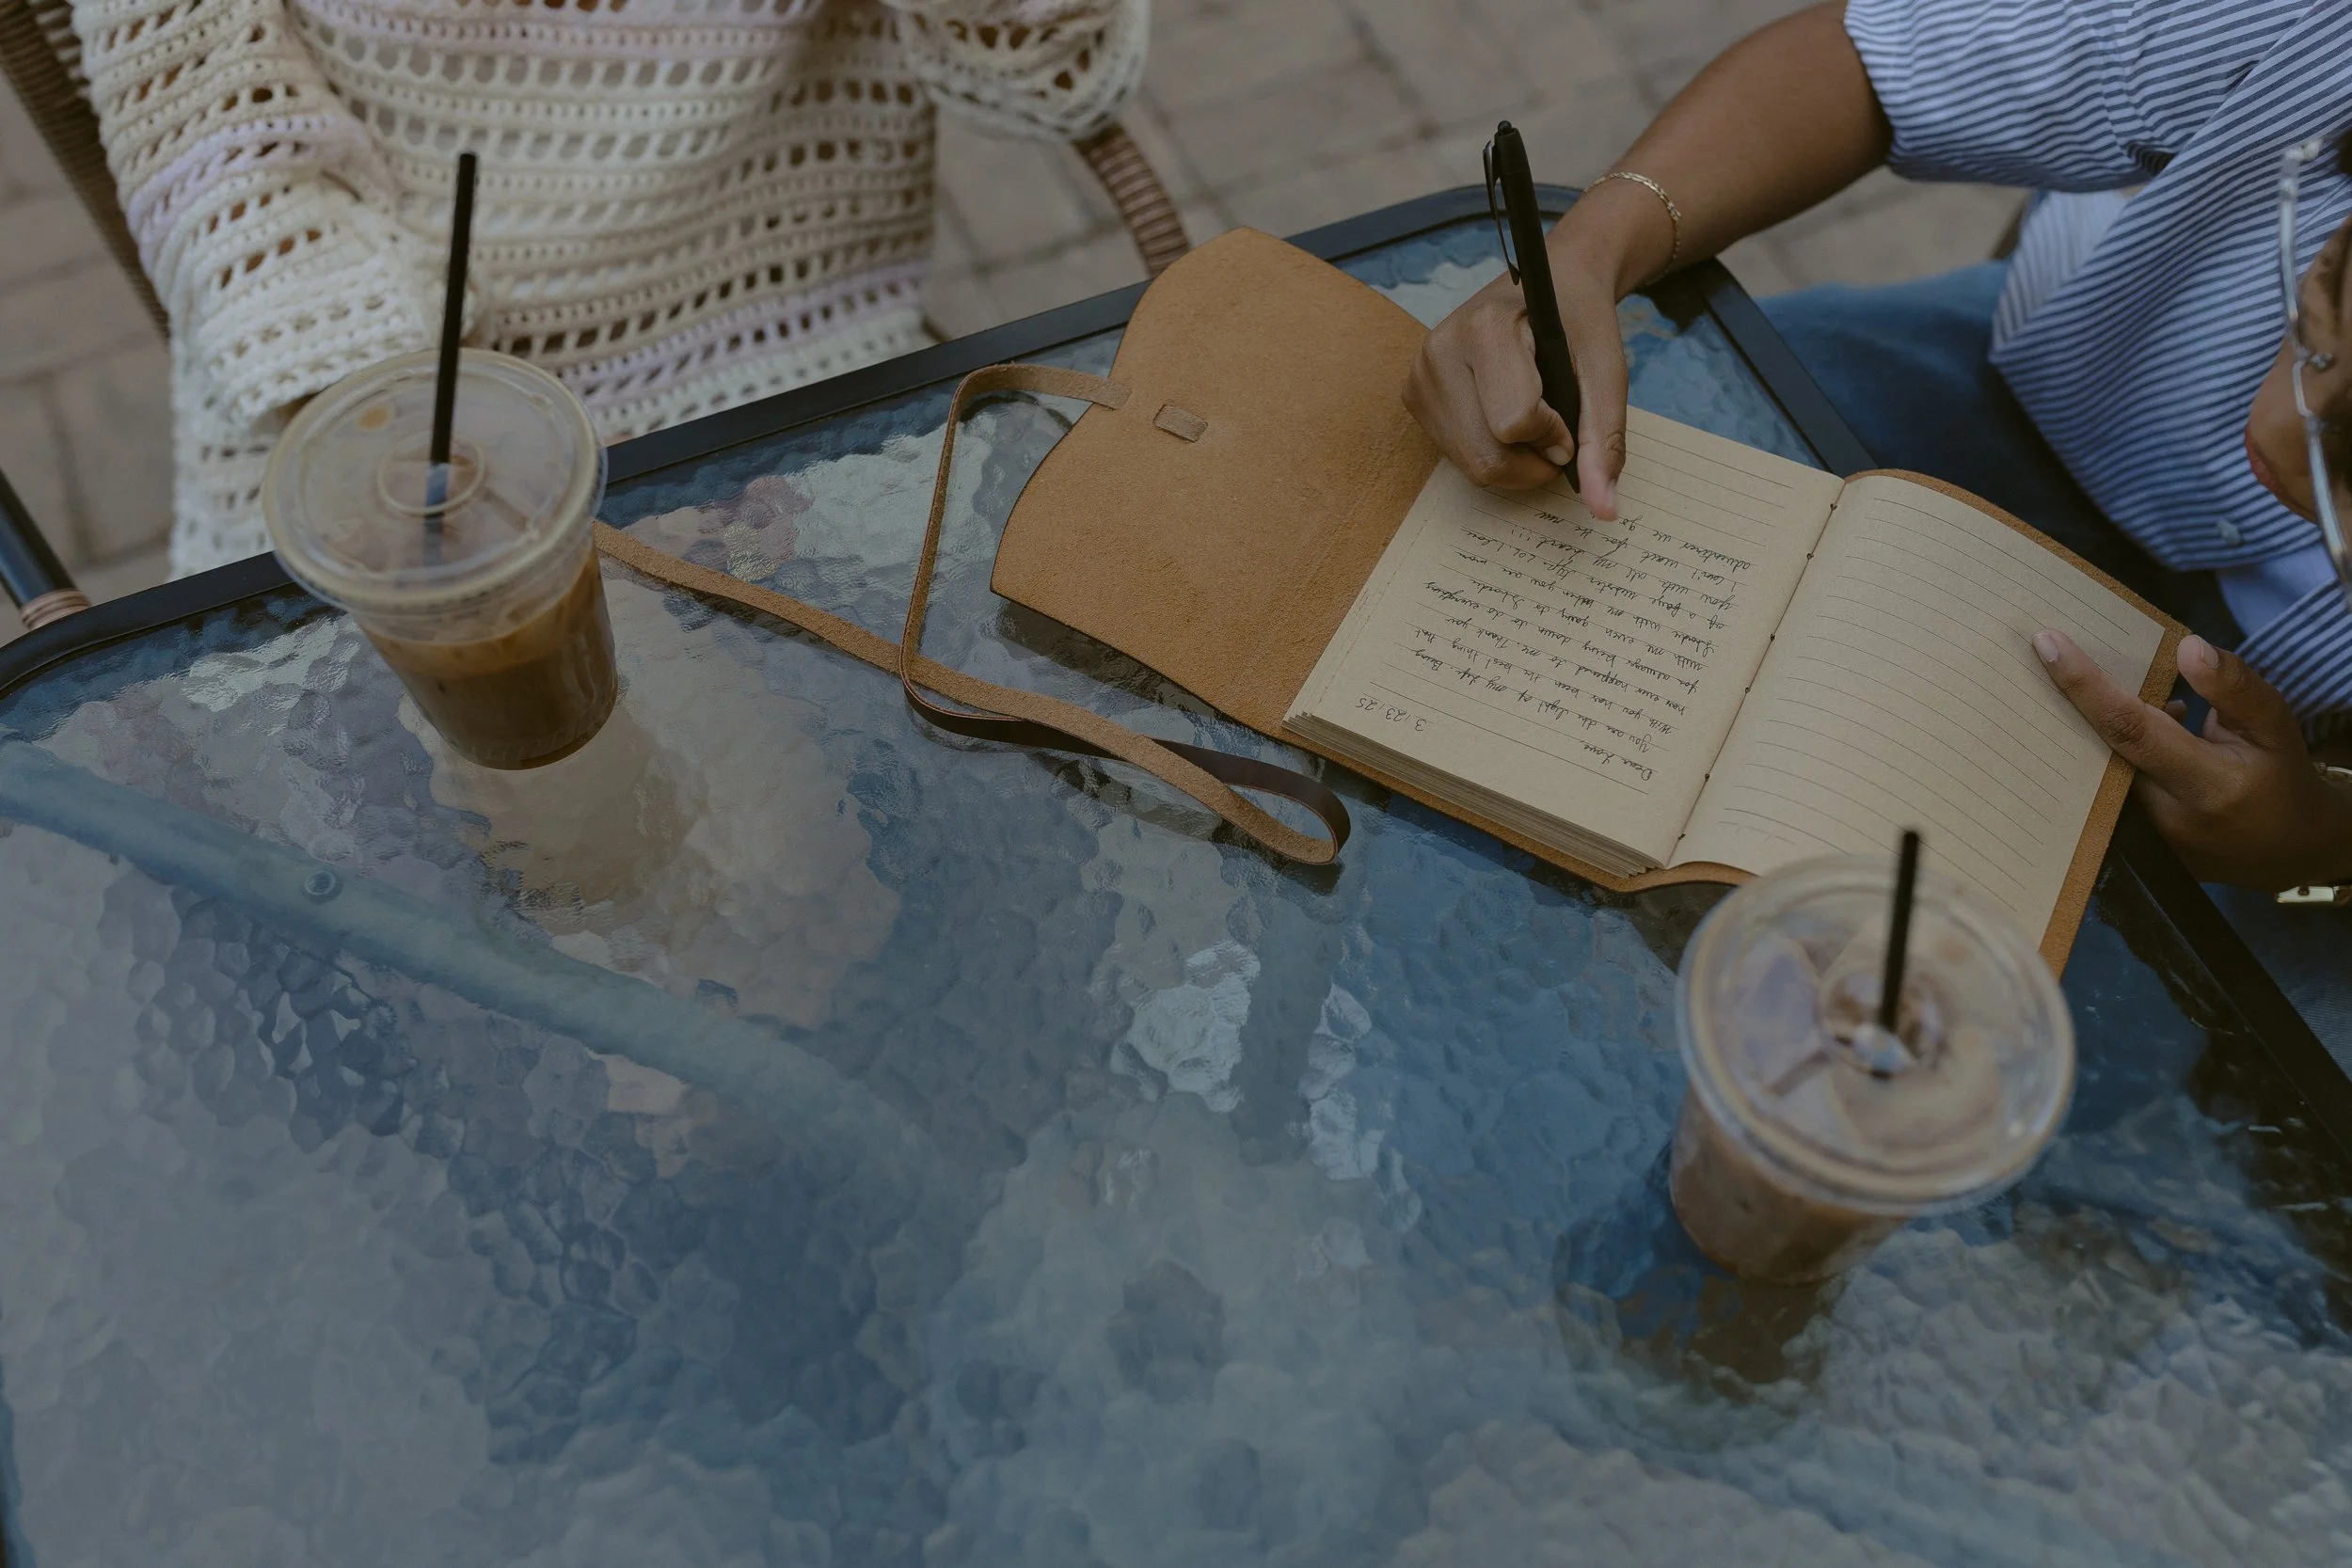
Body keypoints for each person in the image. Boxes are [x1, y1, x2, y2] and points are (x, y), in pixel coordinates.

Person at [1406, 0, 2352, 893]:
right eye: (2315, 332)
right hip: (2060, 386)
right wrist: (1586, 255)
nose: (2279, 435)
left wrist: (2323, 849)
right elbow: (1874, 64)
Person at [75, 0, 1145, 576]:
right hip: (383, 424)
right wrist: (486, 483)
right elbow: (223, 172)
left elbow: (1044, 77)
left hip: (802, 393)